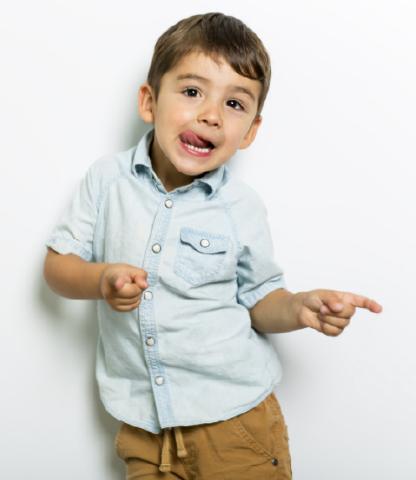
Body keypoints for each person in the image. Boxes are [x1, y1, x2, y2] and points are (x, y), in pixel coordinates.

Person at [43, 12, 383, 480]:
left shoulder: (239, 206)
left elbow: (261, 301)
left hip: (235, 421)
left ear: (251, 132)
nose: (211, 114)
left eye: (235, 104)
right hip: (144, 427)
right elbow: (58, 267)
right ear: (149, 101)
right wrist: (101, 279)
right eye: (191, 92)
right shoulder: (107, 181)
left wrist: (299, 306)